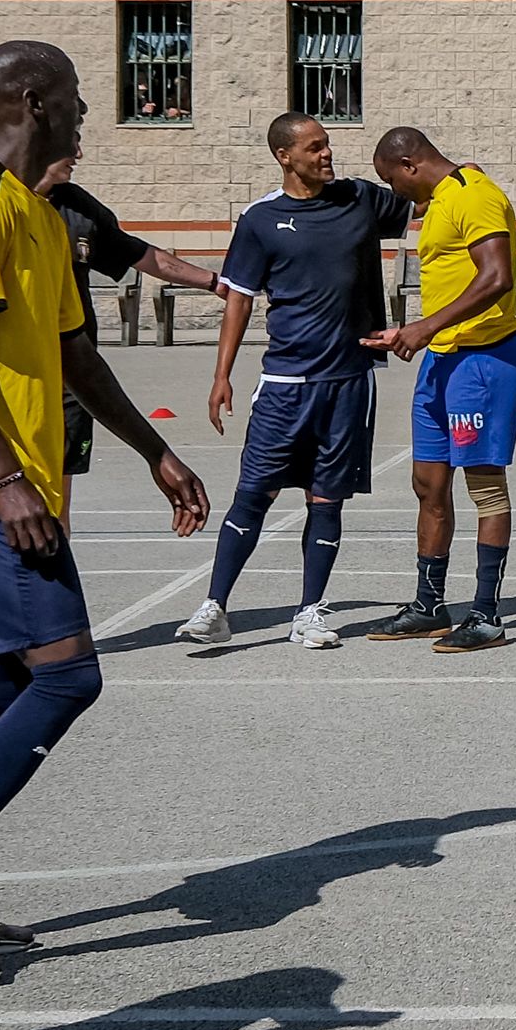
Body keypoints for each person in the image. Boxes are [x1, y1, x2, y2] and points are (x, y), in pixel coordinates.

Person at [0, 41, 209, 985]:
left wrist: (156, 450)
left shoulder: (40, 214)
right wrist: (4, 477)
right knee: (68, 679)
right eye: (73, 98)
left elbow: (76, 356)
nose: (83, 116)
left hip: (19, 485)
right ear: (34, 101)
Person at [179, 112, 407, 651]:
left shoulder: (360, 199)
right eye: (315, 147)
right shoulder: (260, 219)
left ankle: (309, 613)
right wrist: (221, 376)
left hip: (348, 381)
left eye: (327, 145)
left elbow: (426, 196)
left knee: (326, 501)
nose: (327, 154)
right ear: (285, 156)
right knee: (252, 495)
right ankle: (215, 606)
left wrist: (462, 177)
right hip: (284, 384)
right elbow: (238, 296)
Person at [362, 125, 516, 654]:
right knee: (428, 482)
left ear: (409, 164)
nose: (396, 193)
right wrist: (412, 333)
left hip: (483, 361)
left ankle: (487, 615)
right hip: (441, 360)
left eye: (393, 181)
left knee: (484, 485)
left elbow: (495, 276)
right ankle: (430, 604)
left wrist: (423, 328)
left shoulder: (477, 196)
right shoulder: (446, 196)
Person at [40, 152, 221, 489]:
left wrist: (214, 282)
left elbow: (141, 255)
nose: (78, 153)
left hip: (72, 375)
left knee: (57, 495)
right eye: (69, 142)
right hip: (15, 378)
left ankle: (59, 541)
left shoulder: (76, 206)